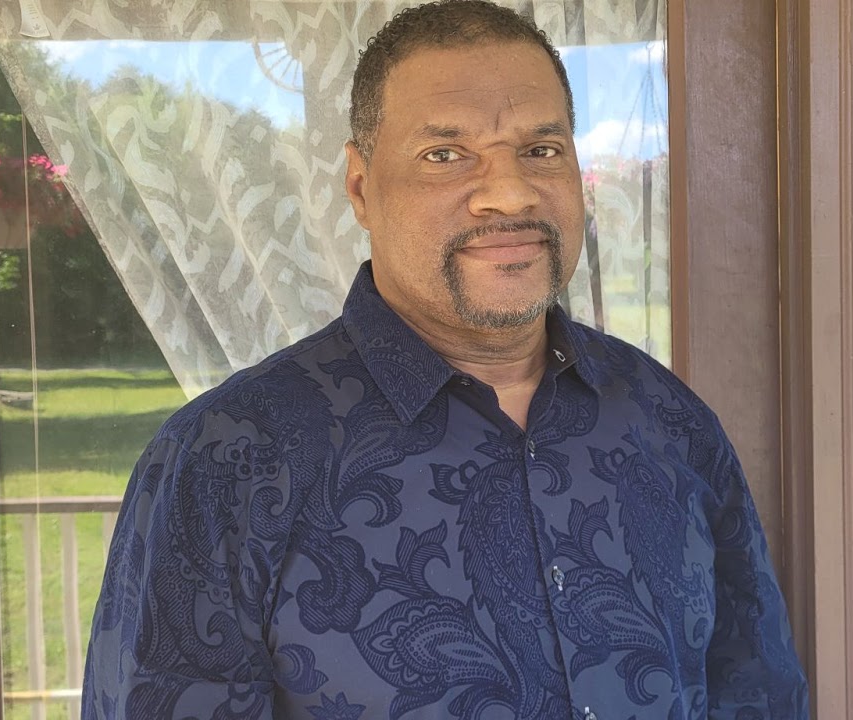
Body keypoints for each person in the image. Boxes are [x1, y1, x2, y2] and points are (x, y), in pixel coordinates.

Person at [81, 2, 808, 718]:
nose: (509, 192)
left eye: (541, 149)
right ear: (361, 187)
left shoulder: (668, 423)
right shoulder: (226, 462)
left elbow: (759, 695)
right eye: (445, 154)